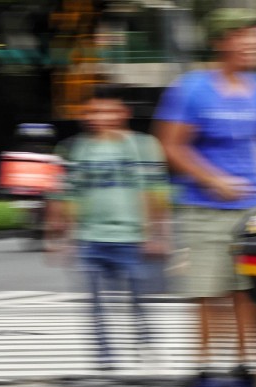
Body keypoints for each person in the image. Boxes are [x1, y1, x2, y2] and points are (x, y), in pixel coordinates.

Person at [155, 8, 256, 387]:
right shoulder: (192, 89)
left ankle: (246, 377)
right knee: (206, 293)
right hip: (203, 209)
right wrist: (212, 178)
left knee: (248, 297)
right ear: (222, 41)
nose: (254, 44)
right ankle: (203, 379)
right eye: (245, 36)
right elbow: (170, 145)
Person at [46, 84, 171, 369]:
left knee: (139, 302)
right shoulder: (74, 148)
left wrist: (158, 234)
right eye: (92, 111)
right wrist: (58, 235)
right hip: (90, 238)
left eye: (106, 110)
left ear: (123, 112)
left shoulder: (143, 146)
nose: (98, 116)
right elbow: (63, 193)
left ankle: (146, 345)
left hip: (133, 238)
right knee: (95, 306)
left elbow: (156, 191)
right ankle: (105, 359)